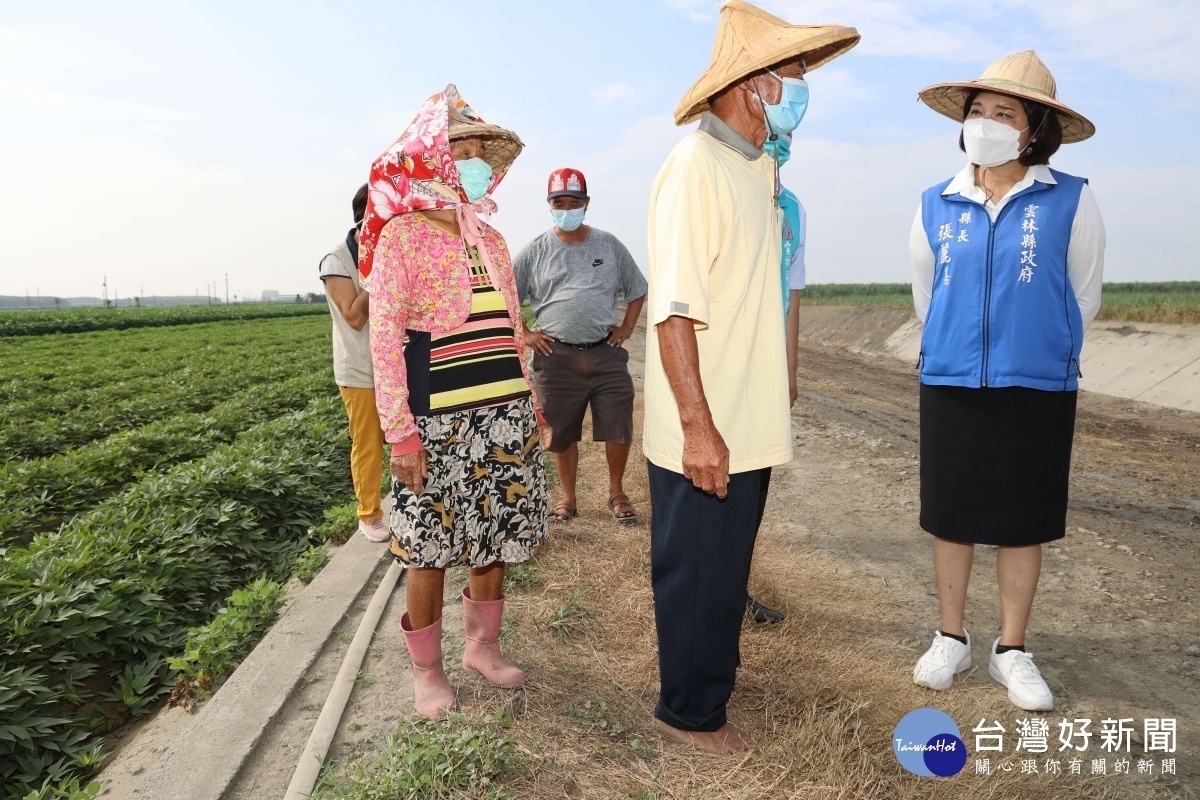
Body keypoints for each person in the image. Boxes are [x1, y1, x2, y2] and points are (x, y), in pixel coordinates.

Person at [643, 0, 858, 755]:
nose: (804, 88)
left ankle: (709, 684)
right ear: (753, 84)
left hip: (746, 418)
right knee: (697, 573)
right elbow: (672, 313)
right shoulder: (694, 168)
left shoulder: (761, 168)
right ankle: (688, 715)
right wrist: (700, 427)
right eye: (796, 73)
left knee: (724, 566)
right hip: (709, 426)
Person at [909, 51, 1105, 712]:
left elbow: (1081, 295)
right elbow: (926, 293)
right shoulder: (936, 202)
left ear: (1033, 130)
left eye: (1004, 113)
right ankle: (951, 637)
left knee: (1023, 520)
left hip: (1037, 381)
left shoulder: (1070, 200)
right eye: (978, 112)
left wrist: (1037, 344)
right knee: (952, 514)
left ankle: (1011, 650)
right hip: (952, 377)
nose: (986, 123)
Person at [359, 85, 551, 719]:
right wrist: (401, 433)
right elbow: (384, 341)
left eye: (477, 150)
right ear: (430, 161)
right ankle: (427, 669)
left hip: (505, 412)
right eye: (459, 147)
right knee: (429, 549)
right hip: (439, 419)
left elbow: (512, 324)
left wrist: (533, 405)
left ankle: (482, 647)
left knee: (493, 534)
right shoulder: (402, 238)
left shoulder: (490, 238)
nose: (472, 159)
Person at [513, 168, 648, 526]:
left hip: (605, 352)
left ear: (587, 204)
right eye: (560, 202)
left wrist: (628, 326)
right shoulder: (535, 251)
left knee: (619, 423)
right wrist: (526, 334)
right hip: (555, 356)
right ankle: (568, 498)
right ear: (549, 205)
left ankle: (617, 492)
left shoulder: (608, 244)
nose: (567, 208)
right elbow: (507, 296)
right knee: (560, 431)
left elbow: (637, 288)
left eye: (575, 202)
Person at [319, 183, 388, 543]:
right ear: (365, 221)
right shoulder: (337, 260)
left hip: (398, 364)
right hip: (361, 370)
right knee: (369, 442)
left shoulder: (395, 250)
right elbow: (354, 317)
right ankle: (369, 514)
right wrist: (376, 273)